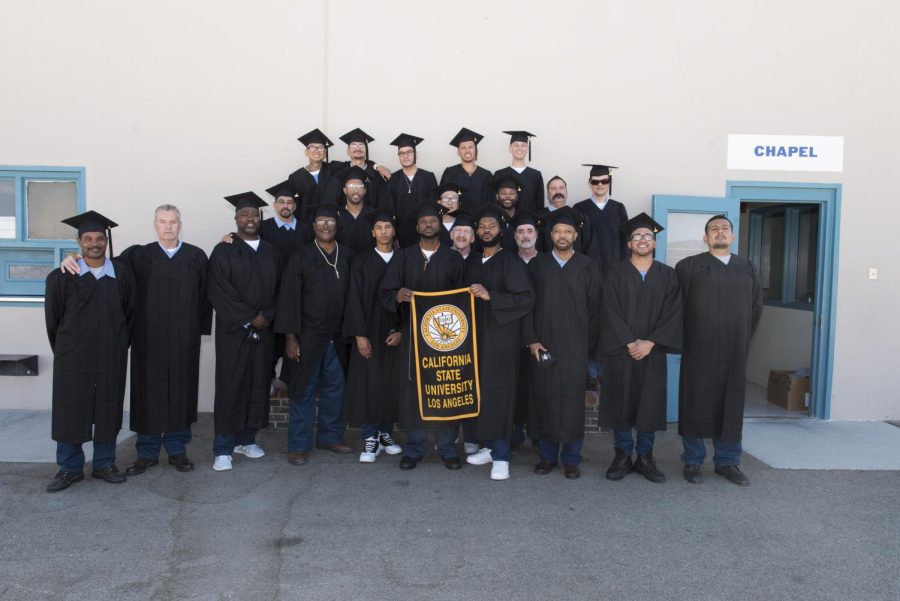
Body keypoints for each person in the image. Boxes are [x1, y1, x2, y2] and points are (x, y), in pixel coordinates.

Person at [59, 205, 212, 476]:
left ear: (180, 224)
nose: (168, 227)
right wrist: (73, 257)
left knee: (181, 391)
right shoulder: (137, 255)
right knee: (147, 393)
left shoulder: (196, 256)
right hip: (146, 338)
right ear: (154, 225)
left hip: (183, 340)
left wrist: (197, 330)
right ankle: (147, 451)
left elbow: (204, 298)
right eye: (163, 222)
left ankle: (177, 449)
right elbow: (103, 268)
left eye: (173, 222)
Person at [45, 211, 135, 492]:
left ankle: (104, 463)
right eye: (88, 239)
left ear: (106, 241)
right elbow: (53, 321)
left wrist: (120, 346)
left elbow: (130, 315)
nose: (94, 243)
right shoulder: (61, 276)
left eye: (99, 238)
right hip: (73, 357)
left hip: (110, 355)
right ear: (79, 241)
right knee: (70, 409)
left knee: (108, 408)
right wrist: (65, 351)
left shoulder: (122, 275)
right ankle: (70, 468)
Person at [379, 201, 466, 470]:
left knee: (443, 390)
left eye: (433, 221)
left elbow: (463, 300)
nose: (428, 224)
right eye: (423, 221)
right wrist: (397, 296)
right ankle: (415, 448)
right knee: (414, 393)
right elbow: (385, 292)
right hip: (413, 336)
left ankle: (447, 448)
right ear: (417, 227)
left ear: (440, 226)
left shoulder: (453, 259)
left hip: (446, 339)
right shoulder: (403, 257)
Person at [677, 215, 763, 486]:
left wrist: (742, 338)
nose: (720, 232)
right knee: (694, 403)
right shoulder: (688, 267)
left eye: (725, 229)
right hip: (698, 348)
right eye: (714, 229)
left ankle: (727, 461)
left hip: (733, 350)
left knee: (731, 404)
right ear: (705, 238)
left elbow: (756, 307)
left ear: (733, 237)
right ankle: (693, 460)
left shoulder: (746, 267)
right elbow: (676, 308)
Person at [599, 213, 683, 483]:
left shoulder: (668, 275)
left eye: (648, 236)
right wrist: (628, 341)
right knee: (620, 401)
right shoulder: (614, 273)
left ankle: (645, 456)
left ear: (655, 243)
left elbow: (674, 312)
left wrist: (650, 342)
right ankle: (622, 455)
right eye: (637, 236)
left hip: (652, 352)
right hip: (621, 351)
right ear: (629, 243)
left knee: (650, 404)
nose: (643, 240)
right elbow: (608, 310)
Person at [523, 207, 601, 479]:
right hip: (543, 346)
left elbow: (595, 310)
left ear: (575, 235)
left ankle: (571, 458)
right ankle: (546, 457)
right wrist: (532, 340)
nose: (562, 235)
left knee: (572, 404)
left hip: (576, 348)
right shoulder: (538, 265)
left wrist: (588, 348)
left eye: (568, 231)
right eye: (557, 231)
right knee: (544, 400)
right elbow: (527, 306)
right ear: (551, 234)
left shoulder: (588, 266)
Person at [275, 204, 354, 465]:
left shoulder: (348, 255)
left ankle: (330, 436)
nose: (326, 226)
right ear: (313, 227)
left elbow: (354, 297)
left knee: (336, 390)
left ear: (336, 225)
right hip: (307, 337)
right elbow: (288, 298)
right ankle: (298, 444)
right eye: (321, 222)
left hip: (339, 337)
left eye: (330, 222)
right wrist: (290, 337)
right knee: (302, 390)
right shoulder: (301, 256)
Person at [207, 192, 279, 471]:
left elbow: (280, 289)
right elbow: (219, 290)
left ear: (260, 218)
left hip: (264, 332)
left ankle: (246, 439)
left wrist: (267, 316)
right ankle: (223, 447)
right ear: (235, 218)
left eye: (254, 215)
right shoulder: (223, 250)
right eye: (244, 215)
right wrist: (250, 318)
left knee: (257, 383)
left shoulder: (271, 250)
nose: (250, 219)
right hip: (234, 332)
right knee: (231, 386)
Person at [463, 205, 534, 480]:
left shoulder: (511, 262)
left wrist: (491, 296)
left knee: (499, 396)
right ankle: (490, 448)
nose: (486, 230)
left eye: (491, 225)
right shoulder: (472, 261)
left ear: (501, 230)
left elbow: (526, 299)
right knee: (480, 395)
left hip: (500, 341)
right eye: (481, 227)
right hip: (474, 340)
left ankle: (502, 457)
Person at [342, 209, 404, 463]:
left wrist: (402, 330)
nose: (383, 232)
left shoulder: (403, 259)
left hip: (396, 333)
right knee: (369, 384)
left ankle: (386, 433)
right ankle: (370, 437)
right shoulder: (362, 260)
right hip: (369, 331)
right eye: (379, 228)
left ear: (394, 231)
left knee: (392, 384)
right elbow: (353, 299)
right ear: (372, 232)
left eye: (387, 227)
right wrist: (359, 336)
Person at [573, 164, 627, 389]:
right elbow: (575, 245)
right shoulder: (580, 208)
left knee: (610, 325)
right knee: (587, 324)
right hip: (587, 278)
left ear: (609, 182)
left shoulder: (618, 209)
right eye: (595, 181)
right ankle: (589, 372)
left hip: (613, 278)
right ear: (589, 183)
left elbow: (625, 244)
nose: (600, 185)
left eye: (604, 181)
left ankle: (604, 372)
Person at [510, 210, 540, 448]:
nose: (525, 235)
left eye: (529, 231)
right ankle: (516, 432)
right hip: (512, 337)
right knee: (516, 388)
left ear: (537, 235)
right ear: (514, 237)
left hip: (542, 336)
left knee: (540, 386)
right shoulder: (507, 262)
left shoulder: (548, 263)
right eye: (520, 231)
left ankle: (540, 434)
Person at [387, 133, 438, 248]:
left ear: (416, 154)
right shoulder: (392, 180)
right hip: (401, 235)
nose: (405, 156)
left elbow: (434, 209)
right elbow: (390, 209)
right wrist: (394, 237)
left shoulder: (428, 177)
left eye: (409, 152)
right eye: (401, 153)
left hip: (425, 233)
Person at [322, 128, 391, 209]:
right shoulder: (339, 172)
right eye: (354, 144)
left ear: (366, 151)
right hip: (345, 220)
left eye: (361, 144)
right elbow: (331, 201)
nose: (358, 148)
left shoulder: (377, 175)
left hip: (372, 220)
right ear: (348, 151)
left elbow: (384, 202)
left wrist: (376, 166)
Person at [440, 127, 492, 213]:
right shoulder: (450, 173)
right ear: (458, 152)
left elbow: (491, 202)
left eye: (470, 147)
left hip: (480, 223)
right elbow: (443, 200)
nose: (467, 150)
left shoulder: (486, 175)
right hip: (457, 223)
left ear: (476, 150)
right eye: (463, 148)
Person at [493, 131, 544, 213]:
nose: (519, 148)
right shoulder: (499, 174)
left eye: (523, 145)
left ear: (527, 149)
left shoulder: (535, 175)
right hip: (506, 222)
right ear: (510, 148)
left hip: (528, 223)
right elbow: (495, 203)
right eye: (516, 145)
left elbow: (539, 204)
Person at [288, 128, 337, 209]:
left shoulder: (334, 170)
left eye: (321, 147)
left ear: (325, 153)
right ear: (306, 152)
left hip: (330, 219)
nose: (317, 151)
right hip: (305, 220)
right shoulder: (295, 177)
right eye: (312, 147)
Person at [335, 166, 376, 253]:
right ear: (344, 190)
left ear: (364, 191)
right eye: (351, 186)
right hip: (343, 264)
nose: (356, 191)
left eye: (359, 186)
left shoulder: (373, 215)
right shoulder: (336, 216)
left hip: (368, 264)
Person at [491, 173, 523, 251]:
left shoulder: (523, 219)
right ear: (497, 196)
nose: (507, 196)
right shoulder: (491, 220)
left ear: (517, 196)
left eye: (511, 193)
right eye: (503, 193)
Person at [536, 176, 569, 252]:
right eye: (553, 189)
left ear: (566, 192)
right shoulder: (538, 218)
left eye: (561, 188)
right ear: (547, 194)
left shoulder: (578, 216)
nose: (558, 192)